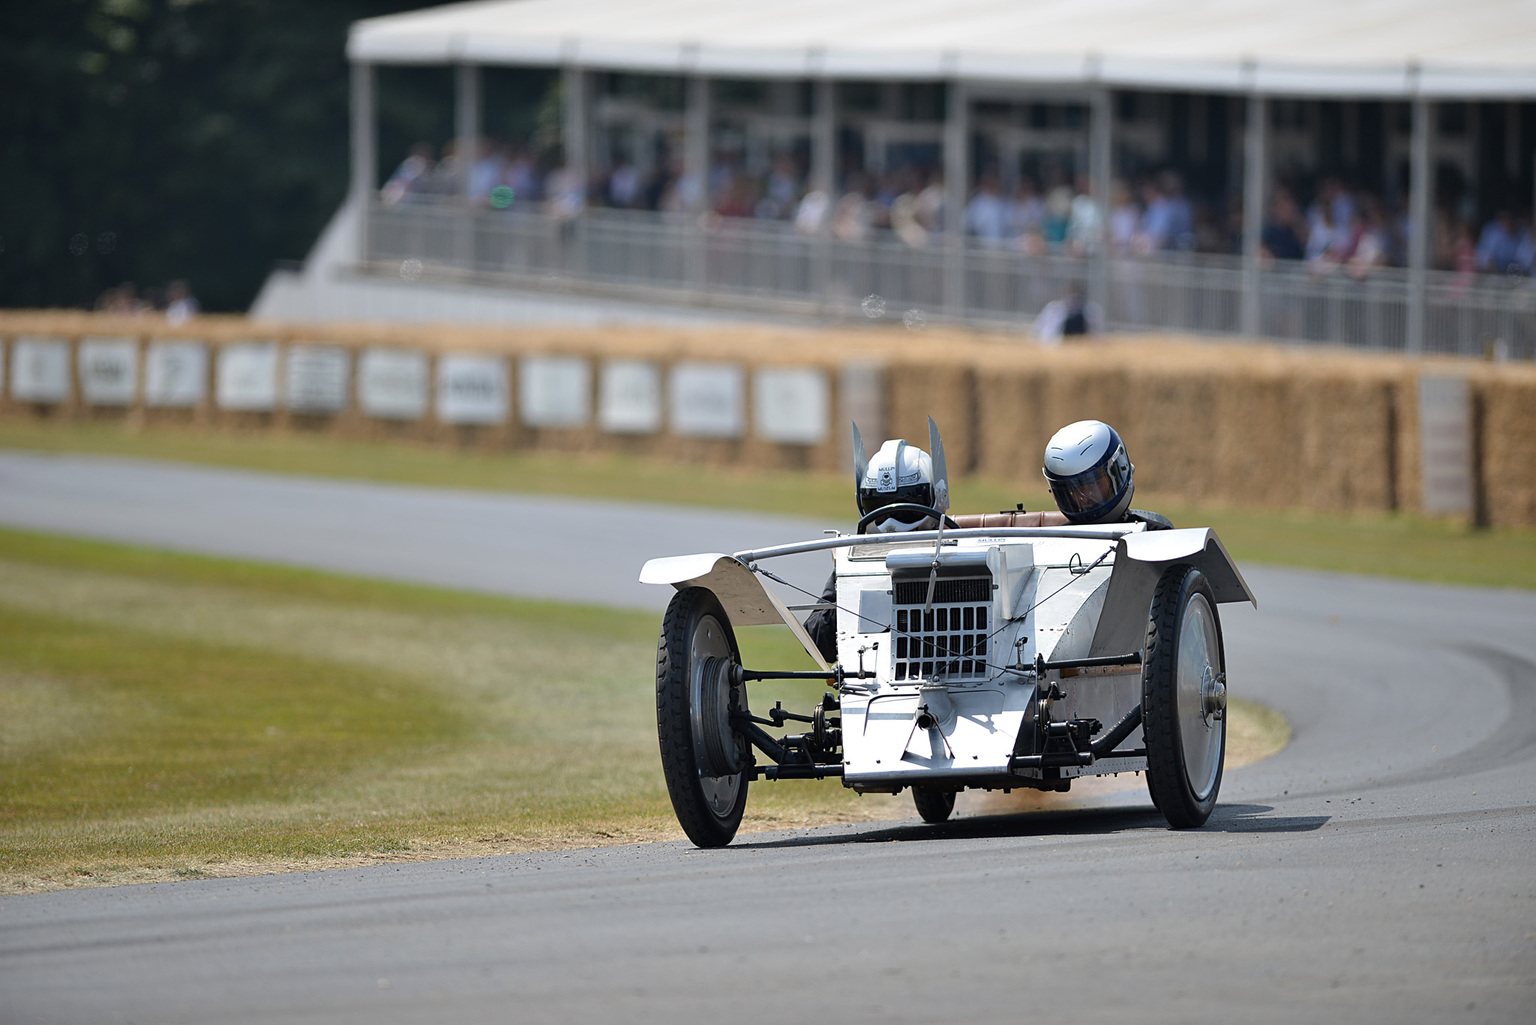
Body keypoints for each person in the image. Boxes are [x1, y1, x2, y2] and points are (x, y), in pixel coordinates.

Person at [804, 437, 944, 662]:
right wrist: (850, 586)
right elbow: (818, 642)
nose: (892, 523)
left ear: (935, 498)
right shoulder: (858, 558)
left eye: (907, 504)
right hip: (870, 683)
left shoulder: (962, 552)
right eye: (879, 506)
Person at [1041, 420, 1170, 528]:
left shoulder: (1156, 536)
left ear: (1120, 469)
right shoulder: (1055, 542)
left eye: (1093, 484)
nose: (1085, 498)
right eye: (1074, 491)